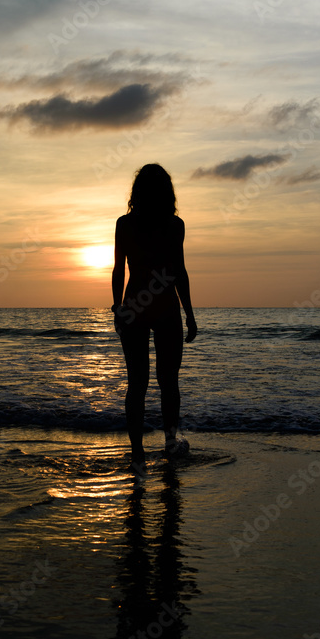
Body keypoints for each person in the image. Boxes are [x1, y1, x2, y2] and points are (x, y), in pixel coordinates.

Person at [112, 164, 197, 469]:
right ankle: (171, 445)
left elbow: (119, 270)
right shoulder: (174, 225)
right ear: (167, 192)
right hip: (164, 306)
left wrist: (117, 308)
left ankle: (137, 455)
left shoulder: (125, 224)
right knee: (168, 382)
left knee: (137, 384)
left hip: (135, 305)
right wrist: (189, 313)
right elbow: (179, 272)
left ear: (137, 191)